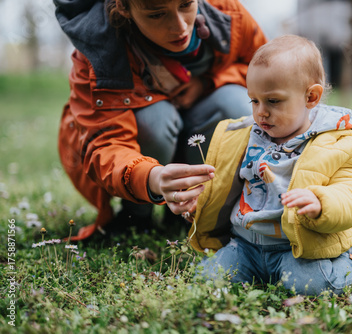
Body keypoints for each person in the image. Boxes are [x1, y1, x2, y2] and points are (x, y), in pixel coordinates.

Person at [54, 0, 267, 240]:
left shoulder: (227, 13)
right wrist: (149, 177)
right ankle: (136, 215)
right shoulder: (97, 52)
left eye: (186, 4)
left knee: (238, 104)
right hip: (149, 143)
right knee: (153, 121)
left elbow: (264, 69)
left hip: (200, 120)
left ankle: (203, 207)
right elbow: (106, 144)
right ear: (124, 8)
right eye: (156, 15)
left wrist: (208, 83)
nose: (179, 27)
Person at [188, 35, 352, 295]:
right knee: (209, 281)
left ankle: (350, 253)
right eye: (254, 100)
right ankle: (251, 267)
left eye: (273, 101)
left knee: (313, 287)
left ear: (311, 96)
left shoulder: (340, 144)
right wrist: (200, 197)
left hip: (298, 247)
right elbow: (223, 183)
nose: (261, 112)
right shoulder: (243, 135)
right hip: (245, 244)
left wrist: (322, 202)